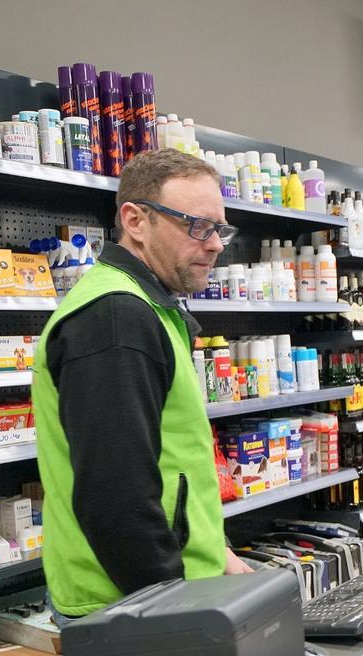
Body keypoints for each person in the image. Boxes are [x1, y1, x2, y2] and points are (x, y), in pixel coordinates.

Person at [33, 149, 252, 621]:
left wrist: (218, 553)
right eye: (198, 226)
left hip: (164, 594)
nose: (215, 244)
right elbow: (116, 496)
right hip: (133, 609)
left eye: (221, 229)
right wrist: (177, 612)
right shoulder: (115, 317)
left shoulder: (146, 307)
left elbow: (171, 466)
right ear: (135, 220)